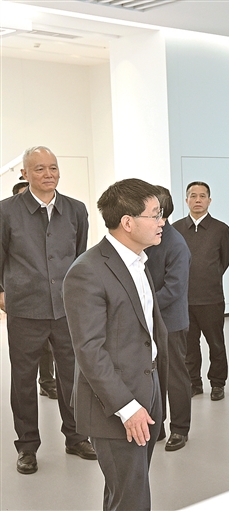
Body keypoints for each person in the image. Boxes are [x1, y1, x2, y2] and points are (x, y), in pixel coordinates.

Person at [63, 178, 167, 511]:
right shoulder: (87, 271)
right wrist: (127, 407)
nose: (162, 221)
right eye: (154, 214)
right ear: (127, 222)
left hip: (147, 389)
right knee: (132, 499)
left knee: (126, 493)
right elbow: (89, 351)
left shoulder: (138, 261)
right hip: (116, 405)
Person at [0, 146, 95, 475]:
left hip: (66, 309)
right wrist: (1, 293)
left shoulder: (76, 210)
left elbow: (80, 257)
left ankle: (76, 436)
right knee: (24, 381)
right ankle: (27, 446)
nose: (48, 174)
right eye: (39, 168)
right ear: (25, 174)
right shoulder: (6, 211)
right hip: (25, 309)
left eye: (52, 167)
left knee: (72, 376)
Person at [173, 182, 229, 401]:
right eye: (193, 196)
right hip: (184, 299)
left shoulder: (221, 229)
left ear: (209, 200)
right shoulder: (176, 229)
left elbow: (224, 261)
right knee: (189, 346)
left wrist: (210, 277)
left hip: (211, 298)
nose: (198, 200)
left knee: (216, 344)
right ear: (186, 200)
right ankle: (193, 383)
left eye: (202, 196)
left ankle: (217, 383)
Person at [145, 186, 192, 451]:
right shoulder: (148, 238)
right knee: (153, 376)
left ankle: (180, 429)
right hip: (149, 320)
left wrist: (142, 305)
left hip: (171, 322)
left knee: (175, 376)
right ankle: (158, 426)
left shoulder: (176, 244)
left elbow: (174, 289)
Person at [11, 180, 58, 400]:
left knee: (50, 349)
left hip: (56, 302)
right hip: (25, 302)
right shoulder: (8, 216)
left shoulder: (63, 215)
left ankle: (47, 382)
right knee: (24, 369)